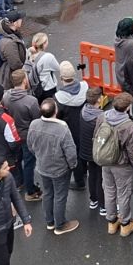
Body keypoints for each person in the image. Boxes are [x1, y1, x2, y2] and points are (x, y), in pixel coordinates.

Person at [27, 98, 80, 235]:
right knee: (60, 196)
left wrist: (39, 156)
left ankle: (50, 222)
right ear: (55, 111)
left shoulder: (34, 124)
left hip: (42, 167)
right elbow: (70, 152)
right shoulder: (62, 129)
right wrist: (72, 165)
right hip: (60, 169)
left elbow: (30, 145)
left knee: (48, 193)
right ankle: (60, 225)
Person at [95, 91, 133, 236]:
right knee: (123, 194)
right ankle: (125, 224)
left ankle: (111, 222)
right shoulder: (128, 126)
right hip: (122, 165)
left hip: (105, 161)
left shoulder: (102, 116)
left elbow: (97, 136)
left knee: (109, 191)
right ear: (127, 107)